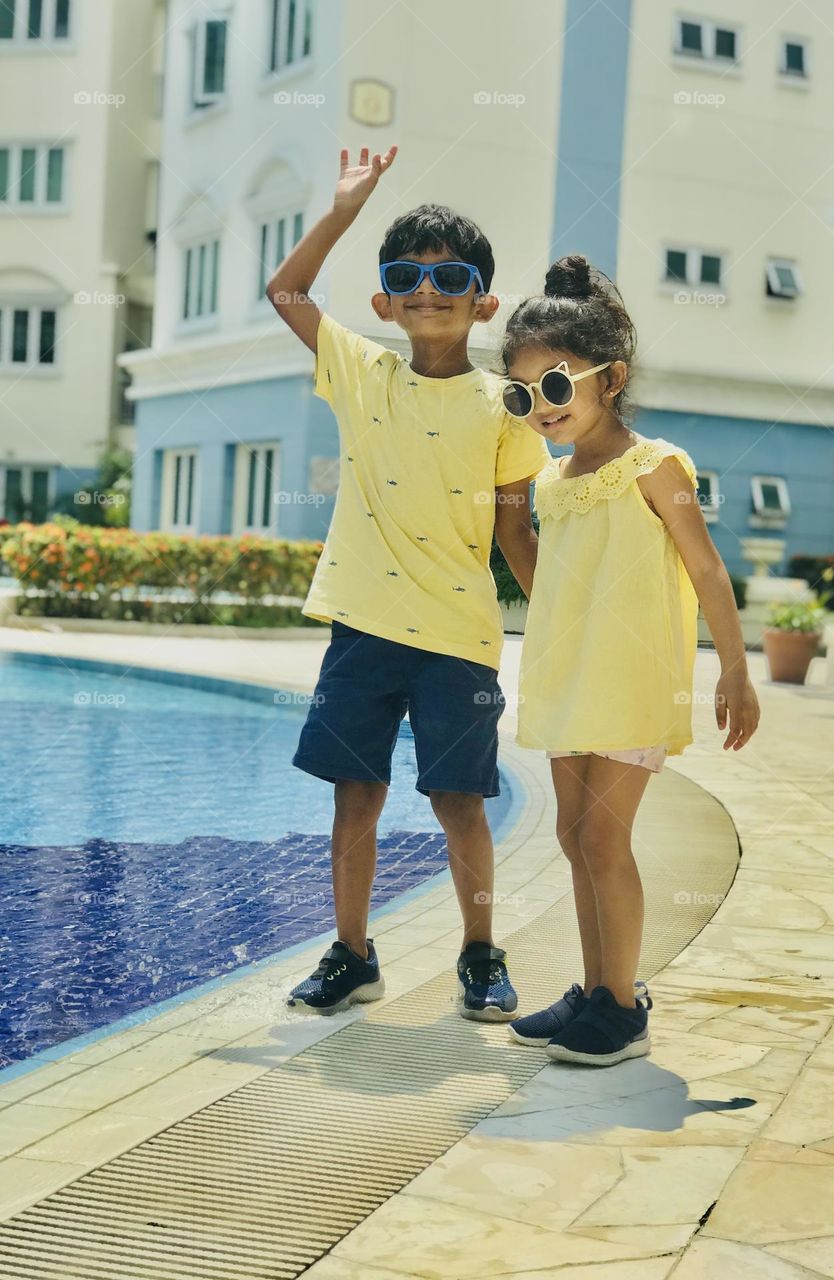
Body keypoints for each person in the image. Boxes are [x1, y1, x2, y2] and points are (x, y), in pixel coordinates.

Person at [267, 146, 550, 1020]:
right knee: (357, 794)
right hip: (361, 625)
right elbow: (286, 293)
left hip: (457, 636)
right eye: (406, 276)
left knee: (459, 802)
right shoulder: (363, 370)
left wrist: (560, 620)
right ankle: (353, 956)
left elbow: (515, 530)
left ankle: (479, 954)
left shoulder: (508, 404)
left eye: (451, 276)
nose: (429, 289)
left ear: (483, 300)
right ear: (384, 299)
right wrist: (345, 209)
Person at [501, 254, 760, 1066]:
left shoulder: (658, 466)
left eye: (555, 385)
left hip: (630, 679)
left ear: (609, 378)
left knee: (607, 842)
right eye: (521, 394)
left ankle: (623, 1009)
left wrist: (735, 668)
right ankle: (596, 991)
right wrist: (558, 621)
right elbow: (550, 572)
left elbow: (707, 567)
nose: (540, 407)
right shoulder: (553, 482)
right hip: (572, 678)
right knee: (576, 839)